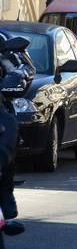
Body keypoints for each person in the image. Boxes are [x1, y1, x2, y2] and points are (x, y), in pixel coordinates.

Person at [0, 32, 35, 236]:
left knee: (8, 129)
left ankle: (6, 206)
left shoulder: (3, 41)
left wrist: (16, 78)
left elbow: (24, 68)